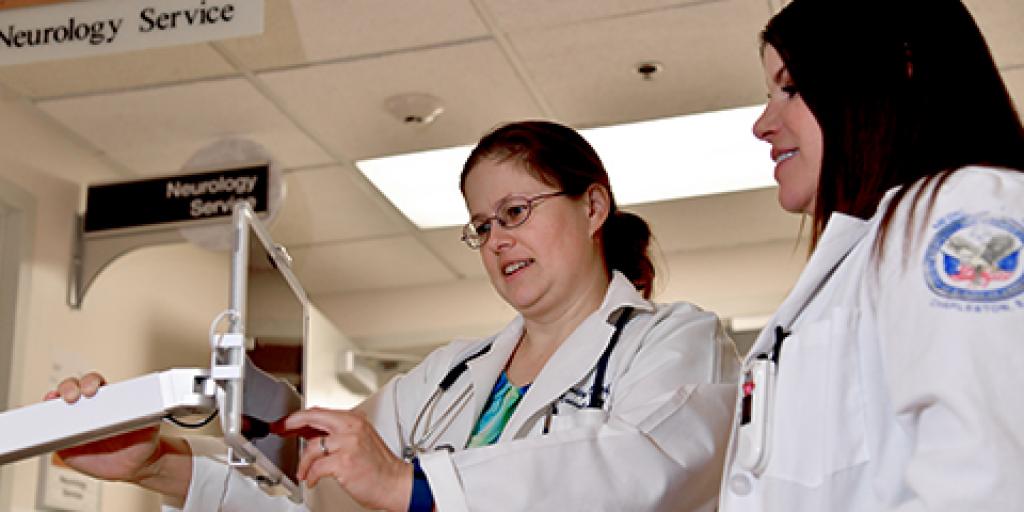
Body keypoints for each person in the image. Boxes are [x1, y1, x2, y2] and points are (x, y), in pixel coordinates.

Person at [51, 120, 741, 511]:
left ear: (593, 208)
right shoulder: (450, 376)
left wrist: (412, 482)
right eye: (480, 226)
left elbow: (635, 472)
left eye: (516, 213)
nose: (497, 240)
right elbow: (317, 497)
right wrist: (157, 465)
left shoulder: (677, 340)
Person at [719, 0, 1024, 510]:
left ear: (897, 72)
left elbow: (990, 476)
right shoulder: (859, 259)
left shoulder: (968, 209)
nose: (763, 124)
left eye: (791, 88)